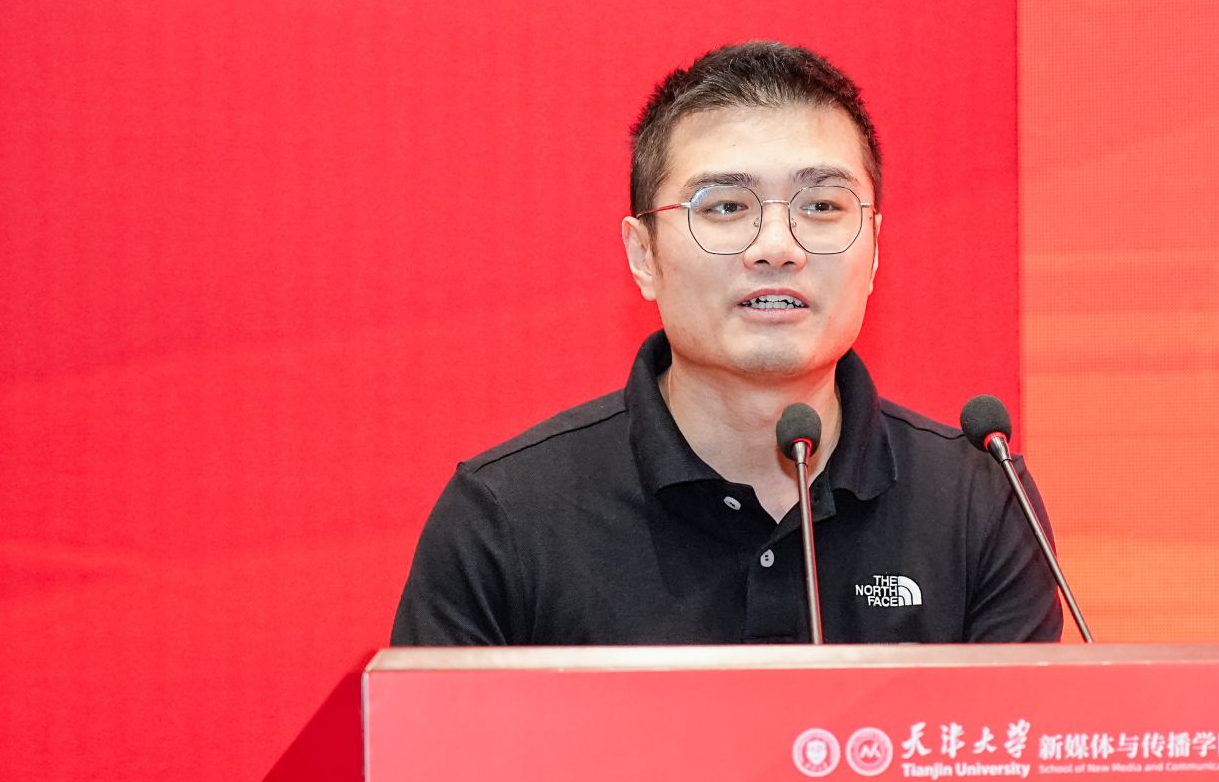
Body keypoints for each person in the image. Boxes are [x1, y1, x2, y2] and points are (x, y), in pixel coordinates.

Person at [392, 41, 1060, 646]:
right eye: (725, 207)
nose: (777, 247)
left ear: (876, 250)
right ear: (643, 255)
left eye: (822, 206)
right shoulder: (506, 515)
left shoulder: (979, 503)